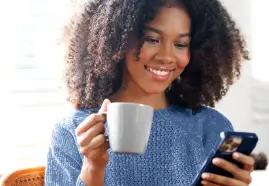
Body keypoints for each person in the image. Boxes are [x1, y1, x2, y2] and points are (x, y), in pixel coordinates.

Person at [45, 0, 254, 185]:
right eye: (152, 39)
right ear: (118, 38)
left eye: (181, 44)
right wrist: (93, 168)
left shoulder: (211, 128)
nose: (166, 56)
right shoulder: (73, 131)